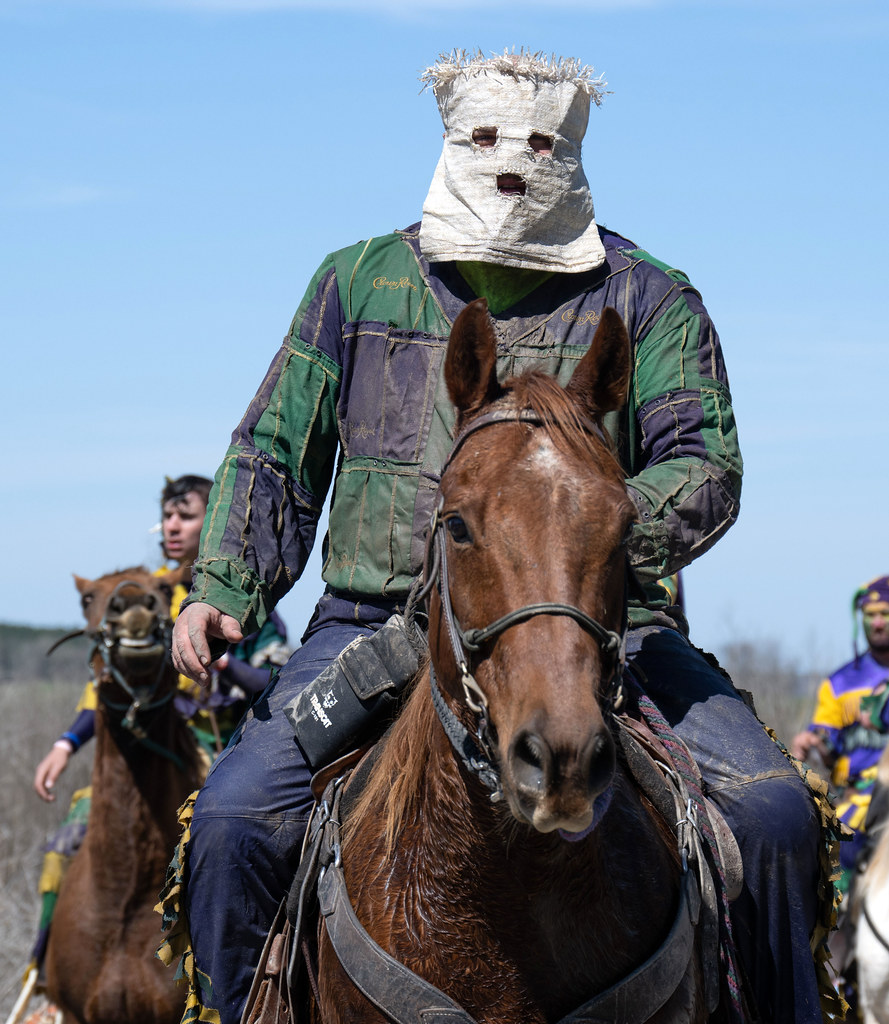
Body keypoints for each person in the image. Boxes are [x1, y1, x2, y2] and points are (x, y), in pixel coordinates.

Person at [169, 50, 829, 1024]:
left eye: (539, 143)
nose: (511, 161)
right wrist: (223, 585)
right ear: (448, 141)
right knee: (230, 822)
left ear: (573, 151)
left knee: (773, 816)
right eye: (483, 138)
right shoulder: (356, 281)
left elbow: (705, 465)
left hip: (609, 626)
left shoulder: (650, 295)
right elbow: (275, 449)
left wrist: (571, 545)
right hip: (366, 621)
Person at [28, 474, 291, 973]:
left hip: (225, 751)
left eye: (186, 515)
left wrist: (223, 664)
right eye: (167, 515)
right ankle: (42, 969)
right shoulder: (146, 599)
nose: (172, 525)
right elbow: (105, 687)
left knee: (240, 833)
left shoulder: (248, 604)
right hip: (144, 751)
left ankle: (261, 964)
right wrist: (67, 743)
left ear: (213, 522)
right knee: (69, 835)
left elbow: (280, 679)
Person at [791, 576, 889, 888]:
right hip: (857, 807)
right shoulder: (840, 684)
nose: (877, 623)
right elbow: (827, 745)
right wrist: (811, 744)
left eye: (885, 613)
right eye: (870, 614)